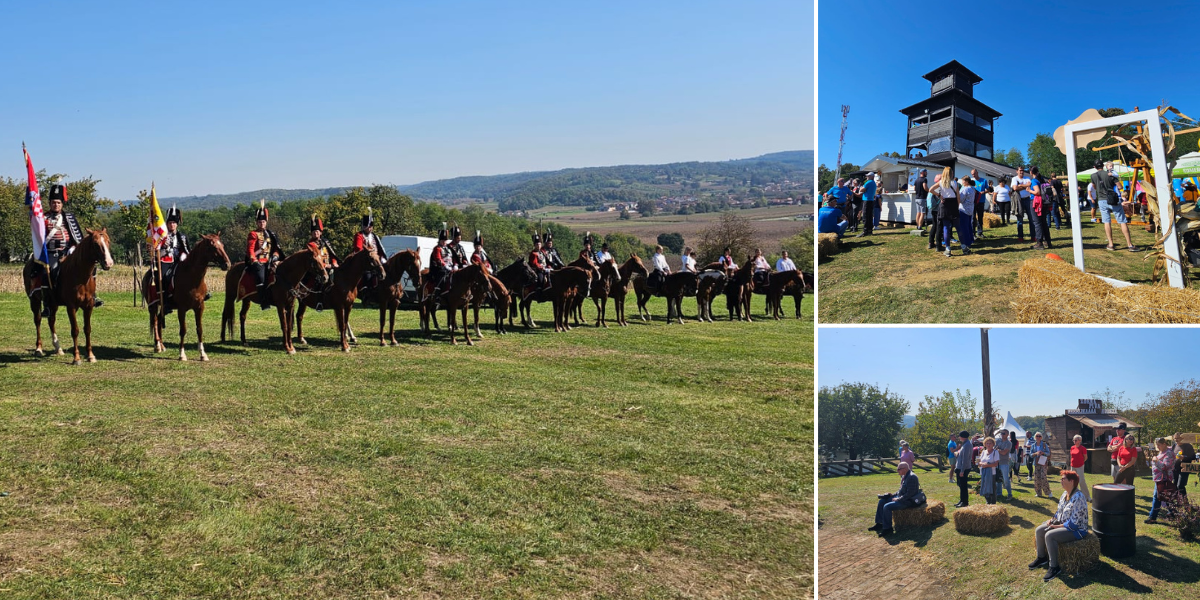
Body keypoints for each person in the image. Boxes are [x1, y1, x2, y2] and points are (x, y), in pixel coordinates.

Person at [39, 182, 104, 315]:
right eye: (53, 202)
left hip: (68, 251)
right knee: (49, 271)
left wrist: (73, 248)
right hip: (52, 252)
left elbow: (77, 236)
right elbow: (40, 236)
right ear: (50, 203)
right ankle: (48, 303)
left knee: (91, 267)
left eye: (58, 202)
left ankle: (93, 295)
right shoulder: (43, 218)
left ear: (62, 203)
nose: (55, 205)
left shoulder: (69, 218)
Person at [1030, 470, 1089, 582]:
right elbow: (1059, 512)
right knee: (1039, 530)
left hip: (1077, 530)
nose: (1061, 481)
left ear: (1071, 481)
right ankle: (1041, 557)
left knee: (1049, 535)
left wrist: (1056, 527)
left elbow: (1074, 524)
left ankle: (1054, 567)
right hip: (1062, 524)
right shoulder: (1064, 495)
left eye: (1063, 479)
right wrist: (1052, 520)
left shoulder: (1079, 497)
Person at [1090, 160, 1139, 252]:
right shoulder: (1110, 174)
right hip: (1113, 199)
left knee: (1106, 221)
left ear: (1095, 167)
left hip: (1101, 200)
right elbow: (1120, 187)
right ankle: (1130, 245)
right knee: (1122, 221)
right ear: (1103, 165)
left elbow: (1094, 186)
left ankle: (1111, 244)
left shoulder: (1093, 176)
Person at [868, 462, 922, 537]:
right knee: (882, 501)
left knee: (887, 506)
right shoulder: (905, 476)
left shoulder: (911, 477)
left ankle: (888, 528)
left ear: (905, 469)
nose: (897, 471)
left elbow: (910, 493)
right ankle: (880, 524)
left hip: (907, 501)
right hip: (901, 498)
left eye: (899, 469)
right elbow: (901, 490)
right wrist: (892, 495)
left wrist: (898, 499)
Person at [246, 201, 283, 308]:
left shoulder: (271, 234)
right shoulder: (253, 234)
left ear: (266, 222)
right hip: (259, 262)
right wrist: (254, 260)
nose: (262, 223)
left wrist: (275, 256)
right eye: (259, 222)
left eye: (263, 221)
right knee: (261, 277)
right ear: (256, 223)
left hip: (271, 261)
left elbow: (276, 249)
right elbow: (250, 250)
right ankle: (263, 300)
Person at [157, 205, 191, 312]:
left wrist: (186, 257)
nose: (172, 225)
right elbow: (157, 249)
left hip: (180, 261)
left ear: (177, 224)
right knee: (164, 277)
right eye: (170, 223)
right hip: (166, 259)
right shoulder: (162, 236)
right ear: (167, 224)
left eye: (174, 223)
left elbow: (186, 249)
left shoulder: (182, 237)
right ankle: (166, 301)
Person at [353, 208, 388, 293]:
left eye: (371, 227)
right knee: (368, 275)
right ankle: (366, 292)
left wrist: (382, 258)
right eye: (368, 226)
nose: (370, 228)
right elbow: (358, 249)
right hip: (365, 260)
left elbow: (379, 249)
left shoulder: (374, 236)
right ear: (364, 226)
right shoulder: (359, 235)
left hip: (376, 259)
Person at [1146, 437, 1177, 524]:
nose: (1157, 447)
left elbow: (1165, 466)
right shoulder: (1162, 452)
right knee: (1165, 497)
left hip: (1164, 479)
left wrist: (1156, 461)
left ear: (1164, 444)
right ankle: (1172, 513)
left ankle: (1152, 516)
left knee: (1157, 497)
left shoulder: (1169, 453)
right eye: (1157, 445)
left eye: (1159, 445)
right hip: (1159, 479)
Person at [930, 168, 960, 257]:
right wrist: (958, 206)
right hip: (953, 204)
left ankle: (948, 248)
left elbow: (930, 189)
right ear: (951, 174)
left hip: (944, 205)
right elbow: (958, 196)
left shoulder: (941, 182)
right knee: (958, 226)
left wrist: (939, 195)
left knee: (945, 227)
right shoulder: (955, 183)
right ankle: (964, 245)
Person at [1027, 167, 1052, 250]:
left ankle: (1039, 243)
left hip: (1036, 202)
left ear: (1031, 172)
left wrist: (1029, 190)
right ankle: (1047, 241)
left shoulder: (1034, 181)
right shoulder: (1042, 179)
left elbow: (1037, 192)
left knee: (1037, 222)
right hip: (1044, 202)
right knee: (1043, 222)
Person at [429, 226, 452, 295]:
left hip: (449, 267)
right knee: (442, 277)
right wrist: (445, 266)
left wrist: (454, 265)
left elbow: (450, 258)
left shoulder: (448, 249)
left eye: (445, 241)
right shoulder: (437, 248)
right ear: (440, 241)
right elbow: (438, 259)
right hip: (439, 268)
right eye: (443, 241)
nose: (444, 242)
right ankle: (437, 293)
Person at [1012, 167, 1033, 243]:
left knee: (1031, 218)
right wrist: (1025, 186)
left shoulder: (1027, 178)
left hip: (1027, 199)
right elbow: (1015, 188)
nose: (1021, 172)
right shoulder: (1014, 179)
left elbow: (1030, 185)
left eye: (1022, 170)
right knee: (1020, 219)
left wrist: (1020, 186)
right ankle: (1020, 236)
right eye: (1020, 170)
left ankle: (1033, 236)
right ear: (1017, 171)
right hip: (1019, 200)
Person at [954, 430, 974, 507]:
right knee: (961, 485)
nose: (959, 437)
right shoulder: (964, 444)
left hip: (964, 468)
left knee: (963, 485)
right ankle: (962, 500)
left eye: (959, 436)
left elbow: (965, 459)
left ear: (962, 437)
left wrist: (962, 470)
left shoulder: (967, 445)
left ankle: (965, 502)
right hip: (960, 467)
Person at [957, 176, 976, 254]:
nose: (962, 182)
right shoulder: (972, 189)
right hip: (970, 209)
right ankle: (971, 239)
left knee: (964, 227)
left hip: (964, 209)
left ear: (967, 181)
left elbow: (961, 199)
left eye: (963, 181)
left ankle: (966, 242)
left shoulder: (965, 189)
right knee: (968, 226)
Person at [1069, 435, 1091, 503]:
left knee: (1081, 480)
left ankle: (1087, 496)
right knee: (1072, 481)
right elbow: (1071, 456)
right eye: (1073, 440)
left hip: (1080, 466)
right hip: (1073, 465)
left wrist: (1081, 462)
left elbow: (1085, 457)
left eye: (1075, 440)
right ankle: (1074, 495)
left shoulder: (1083, 448)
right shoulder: (1072, 447)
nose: (1074, 441)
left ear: (1079, 441)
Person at [978, 437, 1000, 504]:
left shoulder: (995, 452)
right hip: (984, 473)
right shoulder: (984, 452)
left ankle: (993, 503)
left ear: (993, 444)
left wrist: (987, 465)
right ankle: (987, 500)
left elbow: (996, 463)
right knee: (985, 486)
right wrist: (982, 464)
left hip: (992, 473)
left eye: (990, 443)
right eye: (987, 443)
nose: (988, 445)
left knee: (992, 488)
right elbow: (979, 462)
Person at [854, 173, 877, 237]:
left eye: (868, 176)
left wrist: (862, 187)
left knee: (865, 215)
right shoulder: (873, 183)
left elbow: (861, 190)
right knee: (869, 215)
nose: (867, 177)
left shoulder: (868, 182)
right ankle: (870, 230)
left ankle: (865, 230)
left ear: (871, 176)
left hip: (866, 200)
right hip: (871, 200)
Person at [1031, 432, 1052, 497]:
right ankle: (1038, 492)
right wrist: (1035, 453)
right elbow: (1031, 455)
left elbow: (1048, 453)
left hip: (1043, 462)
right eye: (1037, 436)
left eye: (1039, 436)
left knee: (1043, 477)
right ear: (1035, 437)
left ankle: (1048, 492)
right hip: (1036, 462)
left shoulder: (1044, 444)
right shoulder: (1033, 445)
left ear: (1041, 437)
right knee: (1037, 478)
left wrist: (1043, 453)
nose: (1038, 437)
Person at [1174, 431, 1195, 498]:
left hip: (1184, 469)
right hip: (1175, 469)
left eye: (1178, 438)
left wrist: (1184, 457)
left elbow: (1193, 457)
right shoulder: (1174, 446)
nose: (1176, 440)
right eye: (1175, 438)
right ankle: (1178, 502)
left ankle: (1186, 503)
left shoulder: (1188, 446)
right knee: (1175, 486)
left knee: (1180, 486)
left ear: (1182, 438)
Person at [995, 429, 1013, 500]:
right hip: (997, 462)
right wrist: (999, 450)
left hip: (1004, 463)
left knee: (1006, 480)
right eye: (1001, 433)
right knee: (998, 478)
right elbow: (994, 448)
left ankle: (1009, 494)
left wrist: (998, 450)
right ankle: (999, 493)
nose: (1002, 434)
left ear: (1007, 435)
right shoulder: (998, 441)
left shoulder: (1009, 443)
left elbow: (1004, 453)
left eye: (1004, 433)